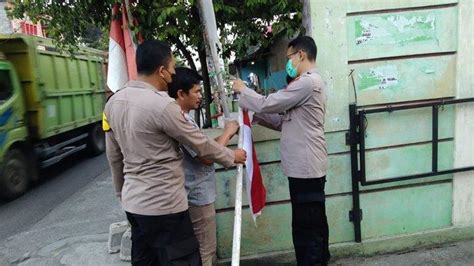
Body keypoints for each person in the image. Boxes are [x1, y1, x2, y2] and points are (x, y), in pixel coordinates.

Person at [104, 40, 246, 265]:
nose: (172, 74)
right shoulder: (163, 106)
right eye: (171, 68)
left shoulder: (112, 104)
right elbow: (200, 144)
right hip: (165, 208)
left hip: (134, 207)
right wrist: (231, 156)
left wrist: (122, 195)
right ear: (161, 71)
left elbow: (114, 157)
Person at [232, 36, 330, 265]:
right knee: (310, 224)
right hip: (303, 168)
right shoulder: (307, 85)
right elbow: (281, 120)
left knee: (308, 229)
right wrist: (253, 115)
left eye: (289, 57)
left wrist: (244, 91)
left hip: (307, 168)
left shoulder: (307, 83)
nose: (288, 62)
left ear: (301, 55)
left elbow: (269, 103)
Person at [168, 67, 239, 266]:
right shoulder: (182, 120)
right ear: (181, 94)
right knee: (205, 249)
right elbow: (206, 157)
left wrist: (227, 135)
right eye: (196, 92)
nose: (200, 96)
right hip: (197, 195)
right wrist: (229, 137)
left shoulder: (183, 118)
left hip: (190, 193)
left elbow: (205, 146)